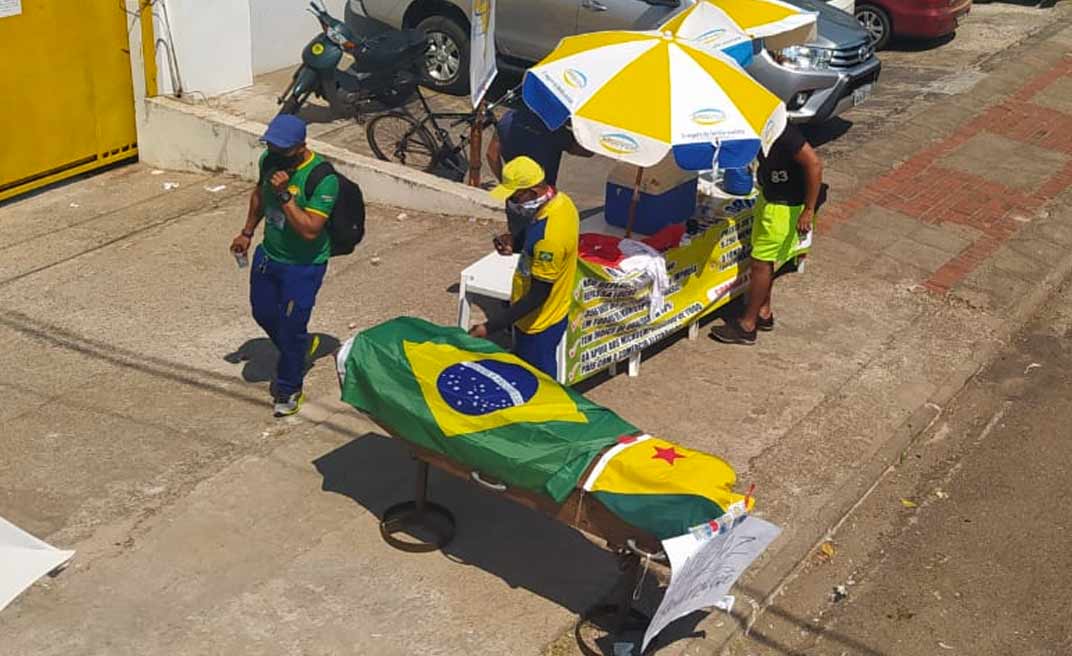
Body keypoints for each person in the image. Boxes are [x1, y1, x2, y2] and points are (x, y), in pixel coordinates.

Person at [230, 114, 338, 416]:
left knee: (291, 328)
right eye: (272, 147)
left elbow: (310, 230)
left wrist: (286, 195)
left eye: (283, 149)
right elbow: (258, 196)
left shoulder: (323, 177)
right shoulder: (270, 161)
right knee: (262, 311)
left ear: (301, 146)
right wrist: (247, 232)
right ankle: (298, 348)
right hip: (269, 255)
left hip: (303, 266)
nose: (276, 153)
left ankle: (289, 388)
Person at [710, 123, 823, 346]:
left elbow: (814, 165)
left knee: (761, 263)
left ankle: (747, 326)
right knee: (763, 259)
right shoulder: (757, 129)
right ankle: (763, 311)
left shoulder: (784, 131)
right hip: (769, 197)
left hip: (784, 207)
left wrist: (809, 210)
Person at [468, 157, 579, 379]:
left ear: (535, 190)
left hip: (539, 323)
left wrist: (490, 327)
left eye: (516, 195)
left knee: (538, 381)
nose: (512, 201)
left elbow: (537, 296)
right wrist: (516, 243)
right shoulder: (561, 202)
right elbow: (535, 238)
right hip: (540, 316)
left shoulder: (550, 239)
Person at [485, 104, 591, 187]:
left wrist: (504, 183)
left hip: (515, 187)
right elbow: (586, 152)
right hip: (540, 191)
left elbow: (491, 154)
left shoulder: (507, 119)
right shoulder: (554, 129)